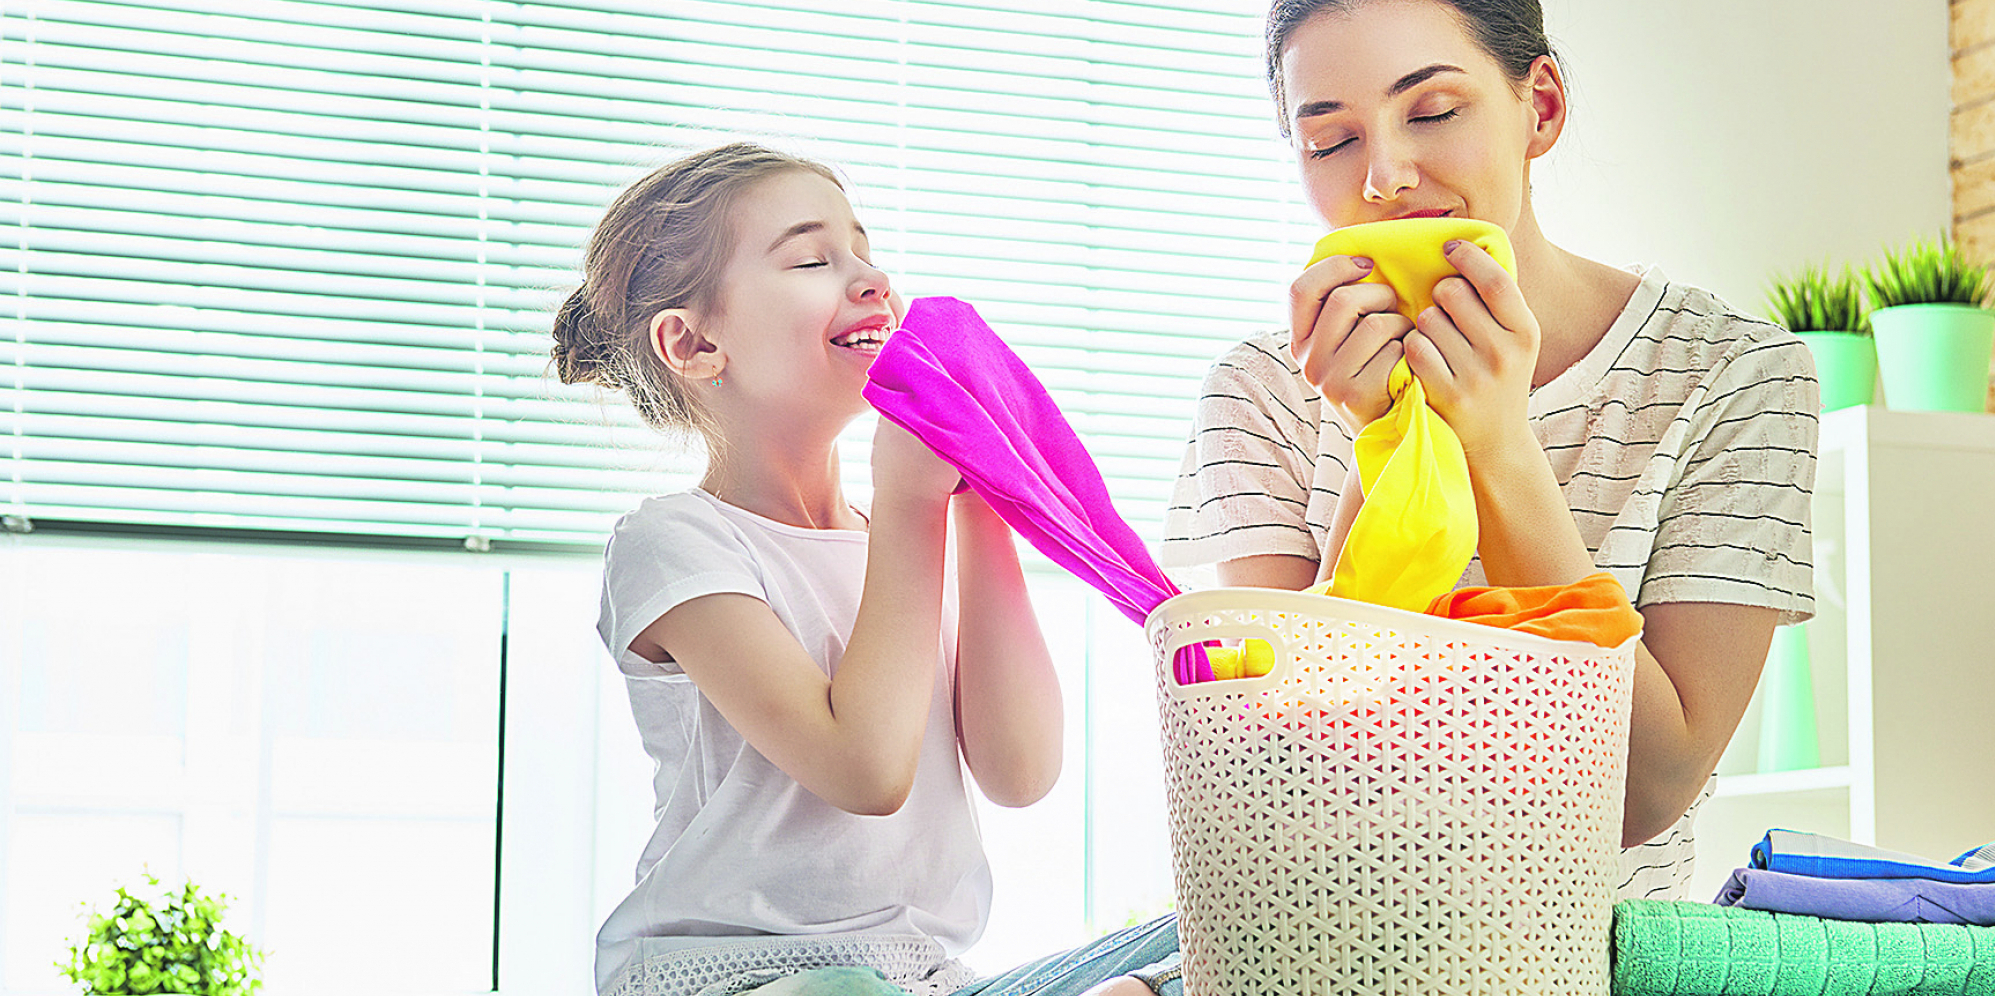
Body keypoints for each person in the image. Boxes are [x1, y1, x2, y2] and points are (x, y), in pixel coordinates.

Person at [1163, 0, 1821, 902]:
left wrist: (1497, 444)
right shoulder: (1263, 388)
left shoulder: (1733, 373)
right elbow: (1271, 778)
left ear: (1539, 109)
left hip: (1585, 949)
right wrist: (1382, 443)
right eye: (1329, 141)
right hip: (1312, 930)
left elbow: (1647, 789)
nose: (1385, 177)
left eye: (1432, 111)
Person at [555, 142, 1179, 996]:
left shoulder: (898, 537)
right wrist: (914, 504)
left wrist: (976, 497)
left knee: (1220, 938)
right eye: (813, 259)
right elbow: (866, 770)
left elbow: (1019, 770)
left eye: (864, 251)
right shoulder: (676, 544)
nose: (870, 279)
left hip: (920, 977)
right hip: (735, 979)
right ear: (694, 343)